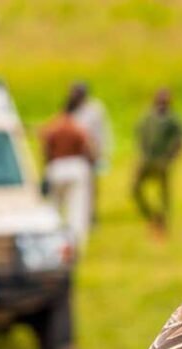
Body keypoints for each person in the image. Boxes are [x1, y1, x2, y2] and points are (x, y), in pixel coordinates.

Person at [40, 96, 95, 247]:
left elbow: (46, 149)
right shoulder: (76, 126)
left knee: (54, 208)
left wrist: (46, 170)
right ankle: (75, 245)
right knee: (76, 211)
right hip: (76, 168)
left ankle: (50, 243)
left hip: (56, 167)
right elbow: (88, 150)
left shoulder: (53, 125)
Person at [133, 88, 182, 234]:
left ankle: (162, 221)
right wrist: (142, 153)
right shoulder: (148, 117)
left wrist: (171, 157)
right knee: (135, 188)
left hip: (162, 162)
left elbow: (181, 141)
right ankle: (151, 216)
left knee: (163, 194)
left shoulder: (172, 119)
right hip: (146, 160)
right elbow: (140, 134)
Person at [68, 82, 111, 224]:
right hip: (75, 153)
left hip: (91, 153)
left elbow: (102, 131)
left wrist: (102, 152)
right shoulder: (71, 108)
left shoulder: (95, 109)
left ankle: (92, 216)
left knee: (91, 187)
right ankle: (79, 216)